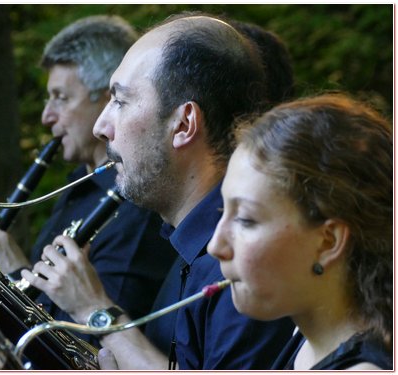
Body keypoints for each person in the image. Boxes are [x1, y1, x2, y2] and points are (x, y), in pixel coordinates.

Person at [20, 13, 296, 369]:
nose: (102, 127)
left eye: (120, 101)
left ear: (183, 124)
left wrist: (97, 312)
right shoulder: (186, 245)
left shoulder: (243, 266)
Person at [0, 15, 177, 345]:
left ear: (110, 97)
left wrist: (13, 275)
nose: (46, 115)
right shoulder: (80, 185)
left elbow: (87, 347)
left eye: (61, 98)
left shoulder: (136, 202)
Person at [207, 93, 393, 370]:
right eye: (224, 212)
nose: (215, 246)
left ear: (327, 242)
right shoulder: (308, 336)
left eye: (245, 219)